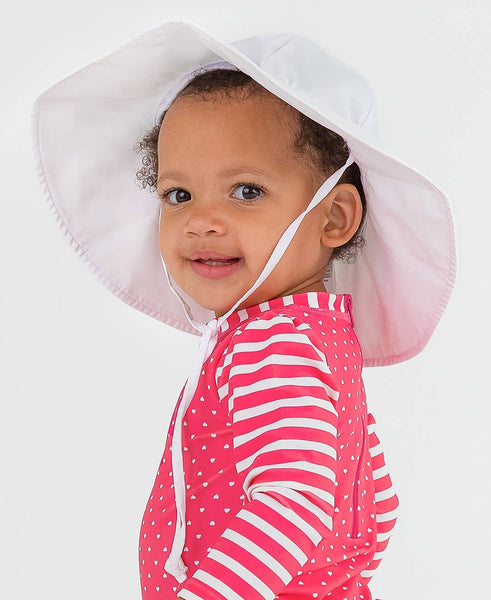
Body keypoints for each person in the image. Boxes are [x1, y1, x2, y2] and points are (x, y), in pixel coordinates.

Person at [31, 20, 456, 600]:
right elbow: (375, 495)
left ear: (334, 218)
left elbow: (294, 503)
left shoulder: (268, 345)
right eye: (179, 195)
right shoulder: (322, 335)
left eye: (246, 191)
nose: (201, 221)